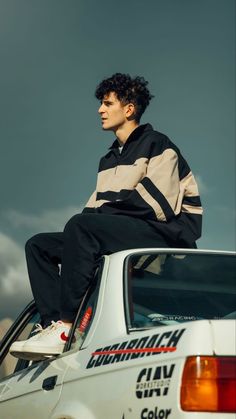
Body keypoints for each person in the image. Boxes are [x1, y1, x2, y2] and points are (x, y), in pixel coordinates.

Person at [10, 73, 203, 359]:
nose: (100, 110)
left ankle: (67, 325)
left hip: (166, 234)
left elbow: (157, 204)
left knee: (82, 227)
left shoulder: (158, 144)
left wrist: (93, 223)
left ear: (129, 109)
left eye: (107, 103)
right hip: (126, 228)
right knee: (39, 245)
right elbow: (92, 213)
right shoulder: (109, 159)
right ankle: (54, 325)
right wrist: (86, 229)